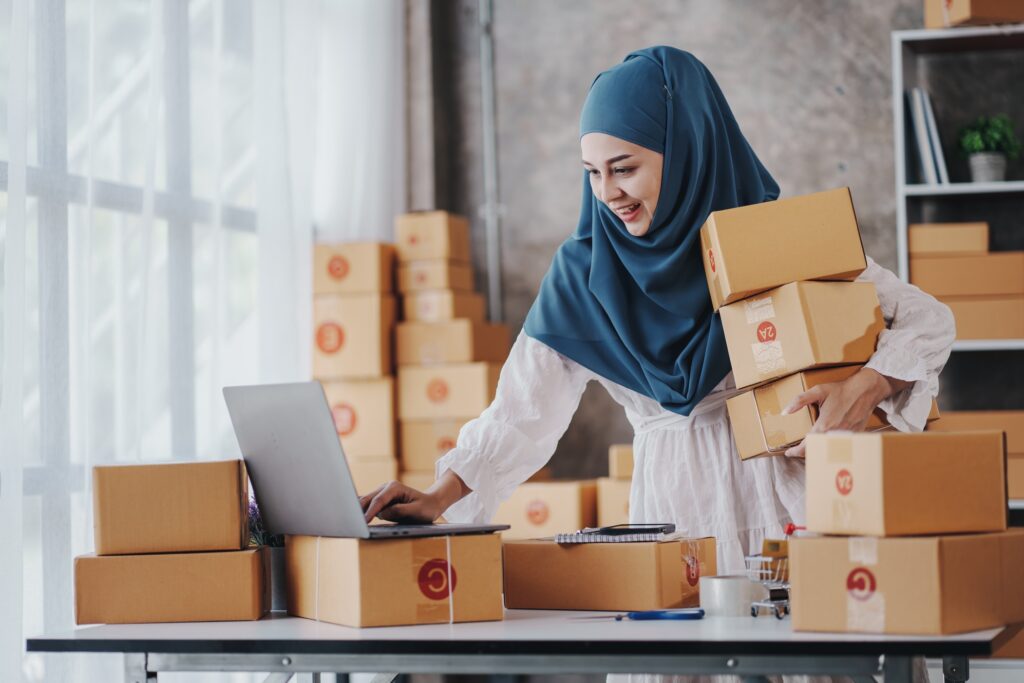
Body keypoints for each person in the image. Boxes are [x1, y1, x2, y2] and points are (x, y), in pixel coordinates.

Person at [361, 45, 954, 590]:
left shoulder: (769, 241)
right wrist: (441, 494)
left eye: (624, 168)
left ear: (688, 147)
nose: (608, 193)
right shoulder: (583, 276)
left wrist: (865, 386)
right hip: (671, 521)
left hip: (786, 509)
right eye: (592, 173)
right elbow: (520, 414)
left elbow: (927, 319)